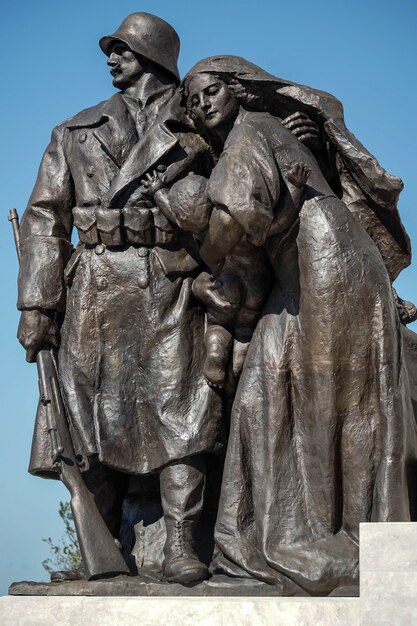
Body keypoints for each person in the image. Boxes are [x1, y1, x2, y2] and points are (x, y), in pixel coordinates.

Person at [181, 56, 417, 595]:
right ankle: (270, 535)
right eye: (193, 101)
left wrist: (196, 247)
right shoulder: (257, 135)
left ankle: (350, 541)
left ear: (238, 89)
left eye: (211, 91)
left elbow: (238, 217)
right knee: (265, 391)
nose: (202, 105)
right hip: (309, 269)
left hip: (328, 264)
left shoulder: (253, 131)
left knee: (340, 400)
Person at [16, 13, 223, 585]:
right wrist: (36, 306)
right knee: (86, 419)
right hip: (95, 288)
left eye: (123, 49)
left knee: (182, 411)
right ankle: (102, 548)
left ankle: (181, 546)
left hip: (169, 282)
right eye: (111, 50)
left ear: (153, 56)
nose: (111, 58)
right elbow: (43, 220)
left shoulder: (198, 126)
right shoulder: (75, 131)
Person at [141, 163, 310, 389]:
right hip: (256, 285)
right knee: (244, 331)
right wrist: (295, 187)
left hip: (225, 283)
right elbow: (280, 222)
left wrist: (157, 190)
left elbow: (173, 215)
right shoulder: (238, 225)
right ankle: (238, 369)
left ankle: (216, 355)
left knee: (218, 324)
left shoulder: (198, 230)